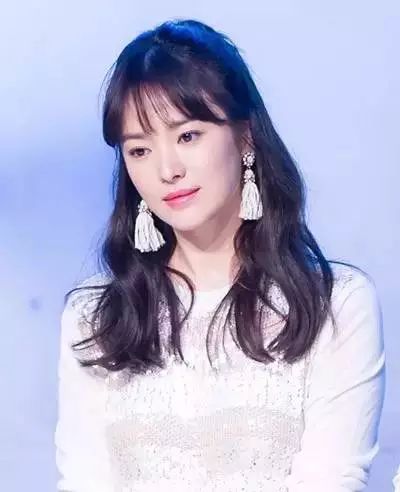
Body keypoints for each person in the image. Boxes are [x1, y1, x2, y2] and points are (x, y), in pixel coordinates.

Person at [54, 18, 385, 491]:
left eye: (187, 136)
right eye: (139, 150)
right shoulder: (96, 320)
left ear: (245, 135)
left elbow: (332, 478)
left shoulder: (334, 305)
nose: (167, 169)